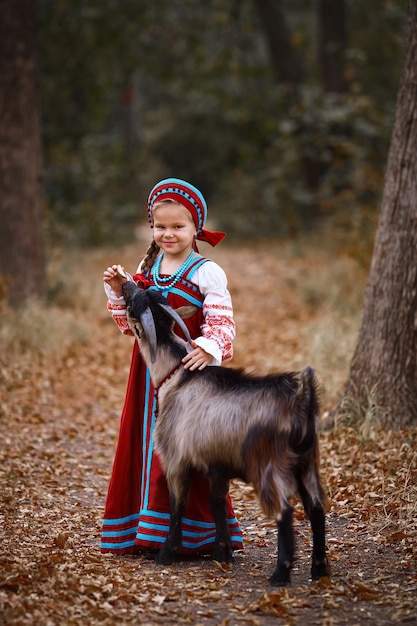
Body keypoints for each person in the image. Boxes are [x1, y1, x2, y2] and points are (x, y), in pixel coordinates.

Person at [100, 178, 243, 557]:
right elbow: (129, 327)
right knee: (147, 440)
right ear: (151, 227)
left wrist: (208, 346)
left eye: (178, 226)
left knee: (186, 445)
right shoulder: (148, 267)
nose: (168, 234)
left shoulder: (205, 270)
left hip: (187, 371)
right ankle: (145, 529)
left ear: (195, 227)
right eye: (160, 226)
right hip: (148, 373)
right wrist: (119, 289)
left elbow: (222, 321)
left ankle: (193, 532)